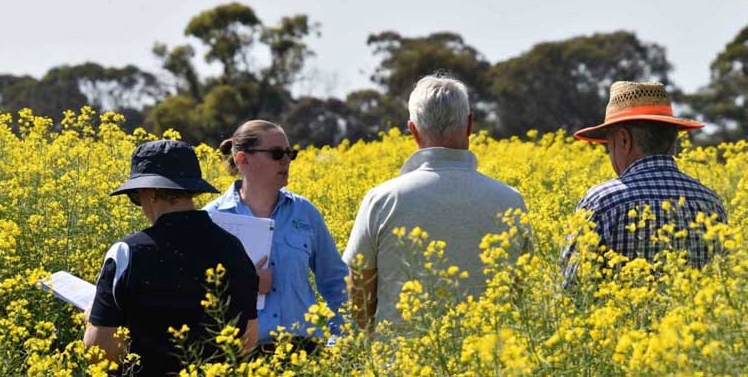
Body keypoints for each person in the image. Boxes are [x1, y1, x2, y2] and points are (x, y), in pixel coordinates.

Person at [342, 75, 527, 330]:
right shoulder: (511, 200)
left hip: (399, 364)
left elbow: (359, 300)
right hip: (493, 358)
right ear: (470, 124)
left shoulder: (382, 200)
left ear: (413, 130)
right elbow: (518, 295)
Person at [84, 140, 259, 376]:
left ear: (150, 192)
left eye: (136, 196)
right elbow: (247, 340)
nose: (141, 203)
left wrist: (91, 319)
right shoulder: (234, 248)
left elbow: (101, 353)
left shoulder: (127, 253)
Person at [560, 81, 728, 286]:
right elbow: (723, 284)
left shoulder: (602, 202)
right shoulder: (711, 203)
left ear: (623, 140)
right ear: (673, 140)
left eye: (609, 145)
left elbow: (569, 288)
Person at [203, 120, 348, 354]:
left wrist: (338, 342)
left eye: (290, 153)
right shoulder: (212, 219)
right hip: (242, 356)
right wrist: (244, 286)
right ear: (243, 160)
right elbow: (196, 295)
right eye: (277, 153)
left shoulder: (305, 212)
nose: (286, 160)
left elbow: (336, 282)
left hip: (306, 352)